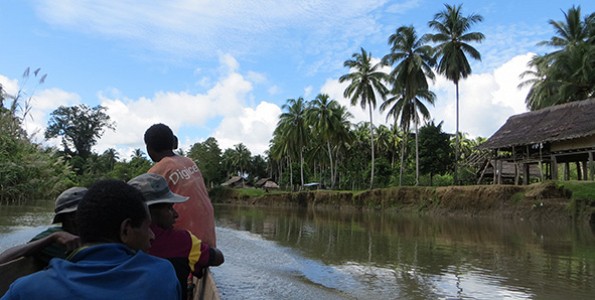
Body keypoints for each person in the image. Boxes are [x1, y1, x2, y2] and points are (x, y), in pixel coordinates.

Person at [1, 180, 181, 300]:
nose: (152, 235)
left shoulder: (25, 290)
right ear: (125, 229)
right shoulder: (162, 274)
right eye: (147, 227)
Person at [129, 173, 224, 299]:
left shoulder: (121, 240)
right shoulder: (183, 241)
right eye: (169, 208)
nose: (175, 214)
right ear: (149, 212)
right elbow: (218, 258)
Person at [144, 123, 217, 247]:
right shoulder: (189, 162)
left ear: (149, 148)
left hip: (187, 243)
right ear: (173, 143)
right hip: (208, 241)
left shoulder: (157, 172)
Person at [0, 187, 86, 265]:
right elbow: (3, 259)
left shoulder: (95, 236)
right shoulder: (54, 237)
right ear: (66, 218)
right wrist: (52, 238)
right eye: (72, 215)